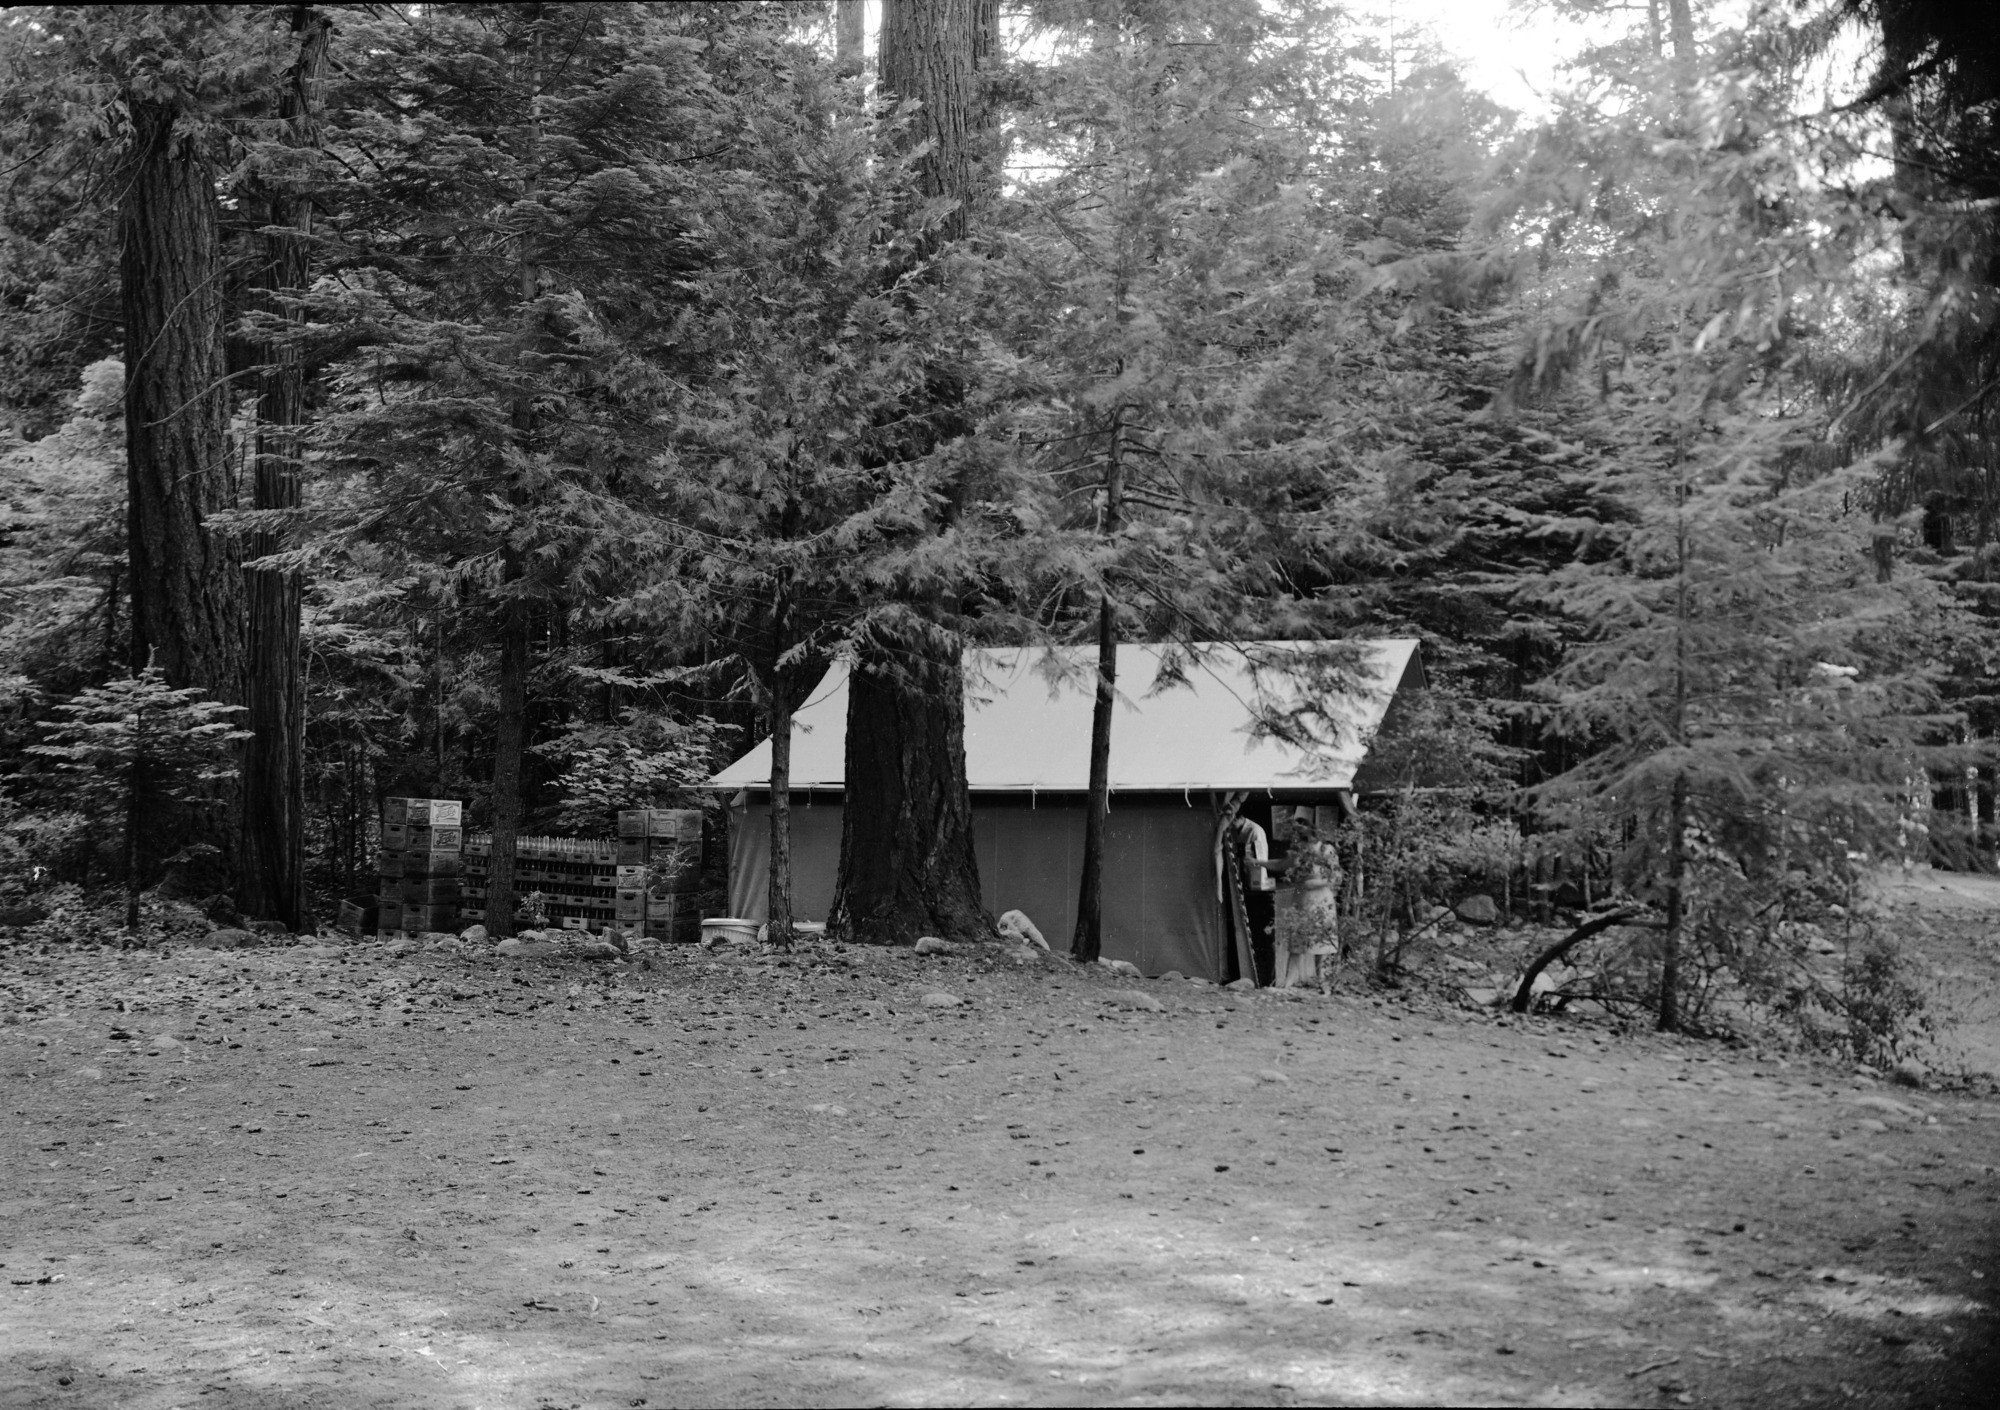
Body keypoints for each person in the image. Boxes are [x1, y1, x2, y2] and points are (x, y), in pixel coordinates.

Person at [1274, 807, 1341, 989]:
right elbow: (1283, 865)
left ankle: (1323, 982)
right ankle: (1288, 983)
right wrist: (1258, 863)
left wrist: (1317, 883)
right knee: (1297, 941)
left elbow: (1336, 877)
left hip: (1321, 899)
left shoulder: (1326, 850)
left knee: (1322, 943)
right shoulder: (1299, 852)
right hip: (1301, 897)